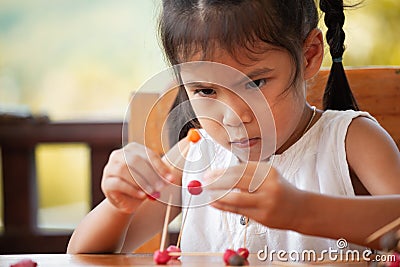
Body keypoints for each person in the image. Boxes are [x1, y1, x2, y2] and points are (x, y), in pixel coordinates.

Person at [67, 0, 400, 257]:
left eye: (255, 83)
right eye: (206, 91)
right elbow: (83, 254)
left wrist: (302, 211)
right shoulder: (193, 158)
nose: (232, 117)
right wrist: (119, 206)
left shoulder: (350, 140)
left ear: (310, 55)